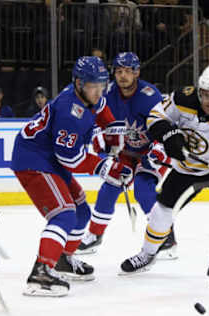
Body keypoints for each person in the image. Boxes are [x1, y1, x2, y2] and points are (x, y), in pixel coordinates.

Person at [119, 65, 209, 285]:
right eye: (205, 94)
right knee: (161, 211)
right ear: (199, 90)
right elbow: (156, 115)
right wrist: (168, 134)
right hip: (188, 166)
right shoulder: (184, 98)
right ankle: (147, 254)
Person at [10, 56, 132, 297]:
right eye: (92, 86)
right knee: (64, 214)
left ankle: (63, 259)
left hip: (50, 158)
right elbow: (71, 159)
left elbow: (100, 107)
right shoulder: (69, 111)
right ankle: (41, 271)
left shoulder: (86, 94)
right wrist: (106, 166)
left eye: (101, 85)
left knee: (82, 210)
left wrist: (112, 128)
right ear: (78, 83)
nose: (98, 92)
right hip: (34, 160)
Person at [77, 52, 176, 259]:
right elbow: (95, 118)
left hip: (153, 149)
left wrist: (159, 147)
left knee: (143, 187)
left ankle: (165, 237)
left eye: (128, 71)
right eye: (119, 71)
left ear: (137, 73)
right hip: (126, 151)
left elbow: (166, 125)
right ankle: (95, 234)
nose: (123, 76)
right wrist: (98, 135)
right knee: (110, 186)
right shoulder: (108, 93)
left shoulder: (150, 95)